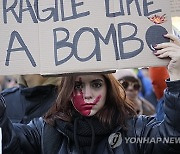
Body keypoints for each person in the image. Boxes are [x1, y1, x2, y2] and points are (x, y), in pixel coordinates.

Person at [0, 33, 180, 154]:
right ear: (67, 91)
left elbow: (172, 138)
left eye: (96, 84)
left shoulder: (135, 130)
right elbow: (7, 142)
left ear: (108, 88)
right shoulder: (45, 131)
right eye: (78, 86)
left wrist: (177, 76)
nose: (87, 94)